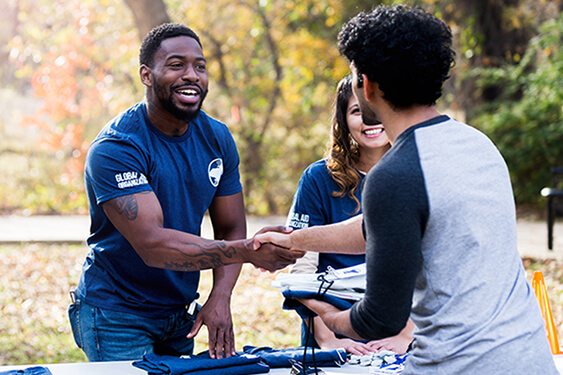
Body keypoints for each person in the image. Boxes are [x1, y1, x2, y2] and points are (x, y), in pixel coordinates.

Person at [256, 5, 558, 374]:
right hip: (529, 355)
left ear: (367, 85)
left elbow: (380, 317)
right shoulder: (478, 144)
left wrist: (331, 319)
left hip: (459, 366)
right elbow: (378, 229)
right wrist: (296, 241)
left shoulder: (395, 174)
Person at [69, 23, 302, 362]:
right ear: (146, 75)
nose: (192, 75)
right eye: (177, 65)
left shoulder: (217, 138)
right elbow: (153, 244)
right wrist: (248, 251)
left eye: (200, 66)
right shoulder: (117, 147)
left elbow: (230, 226)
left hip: (180, 314)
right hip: (116, 314)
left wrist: (220, 296)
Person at [286, 75, 413, 355]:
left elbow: (430, 266)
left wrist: (407, 335)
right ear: (343, 120)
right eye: (358, 111)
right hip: (333, 333)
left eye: (376, 110)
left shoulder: (416, 172)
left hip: (401, 336)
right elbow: (303, 268)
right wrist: (328, 339)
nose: (370, 120)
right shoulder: (318, 178)